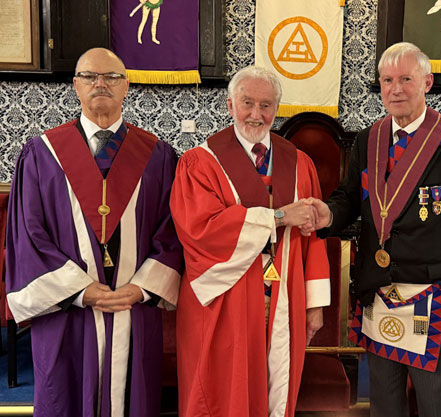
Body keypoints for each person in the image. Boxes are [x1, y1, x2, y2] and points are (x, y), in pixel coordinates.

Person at [4, 47, 182, 417]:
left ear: (127, 87)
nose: (100, 83)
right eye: (89, 76)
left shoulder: (159, 156)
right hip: (67, 310)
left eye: (112, 77)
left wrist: (141, 288)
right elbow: (28, 234)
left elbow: (173, 230)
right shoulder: (41, 154)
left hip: (133, 305)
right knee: (63, 395)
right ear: (75, 86)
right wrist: (82, 291)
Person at [315, 41, 441, 417]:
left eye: (406, 79)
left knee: (440, 403)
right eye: (387, 80)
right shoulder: (369, 139)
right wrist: (327, 215)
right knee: (384, 402)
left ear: (427, 83)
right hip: (379, 289)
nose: (395, 89)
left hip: (435, 294)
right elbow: (350, 198)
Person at [170, 65, 329, 417]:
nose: (256, 115)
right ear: (230, 105)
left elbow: (312, 236)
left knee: (276, 385)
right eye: (247, 103)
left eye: (266, 105)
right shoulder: (201, 162)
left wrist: (315, 305)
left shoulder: (300, 162)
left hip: (286, 295)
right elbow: (200, 230)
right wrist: (278, 217)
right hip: (225, 298)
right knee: (222, 389)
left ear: (277, 109)